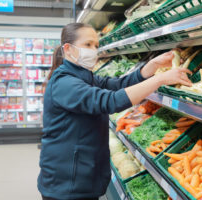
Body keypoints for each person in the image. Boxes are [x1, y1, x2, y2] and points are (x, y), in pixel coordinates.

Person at [38, 23, 192, 200]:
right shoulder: (64, 83)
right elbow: (110, 101)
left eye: (96, 45)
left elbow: (118, 85)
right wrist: (159, 80)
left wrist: (152, 66)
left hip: (80, 177)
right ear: (68, 49)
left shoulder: (84, 77)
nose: (93, 50)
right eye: (87, 45)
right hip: (67, 184)